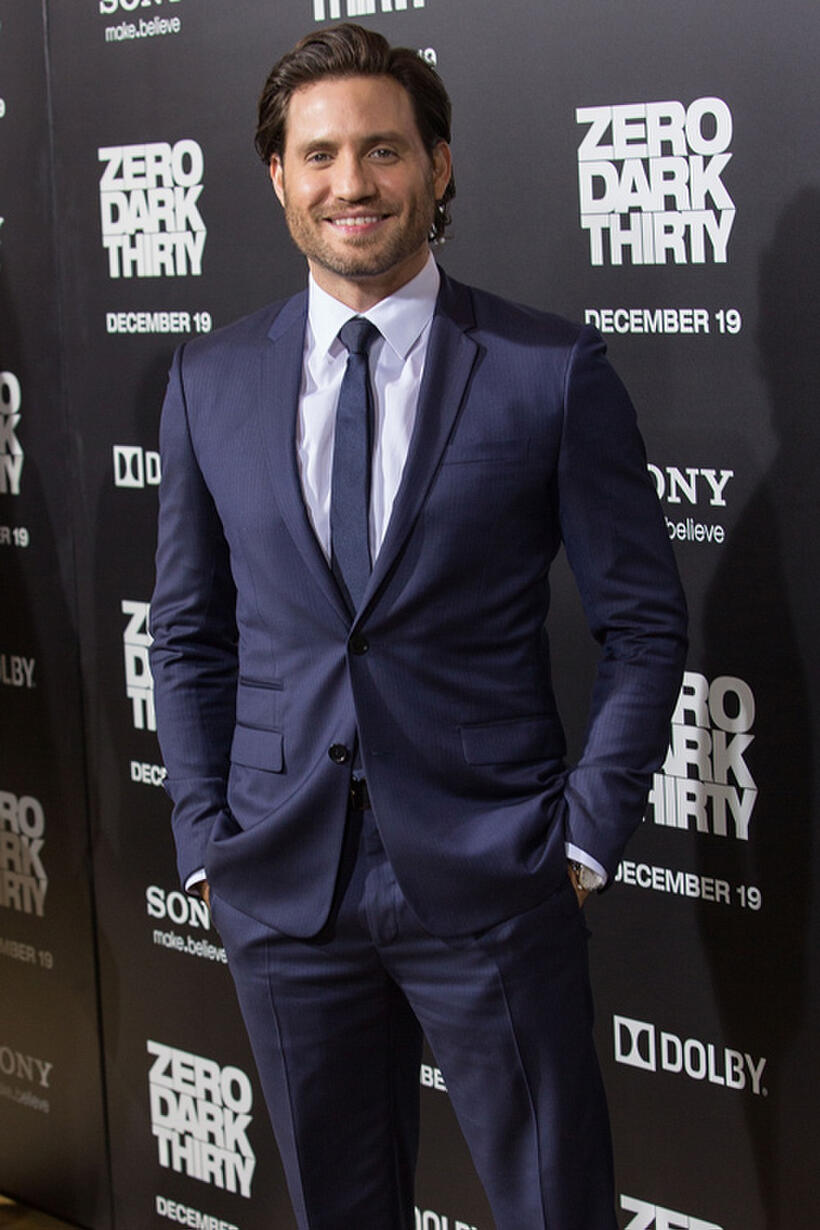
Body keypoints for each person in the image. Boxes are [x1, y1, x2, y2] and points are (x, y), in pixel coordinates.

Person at [150, 23, 687, 1230]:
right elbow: (187, 634)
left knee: (557, 1209)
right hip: (281, 886)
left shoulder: (547, 371)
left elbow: (645, 624)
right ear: (278, 176)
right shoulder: (209, 381)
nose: (353, 183)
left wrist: (586, 838)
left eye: (383, 150)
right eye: (322, 153)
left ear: (436, 168)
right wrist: (204, 839)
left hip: (496, 872)